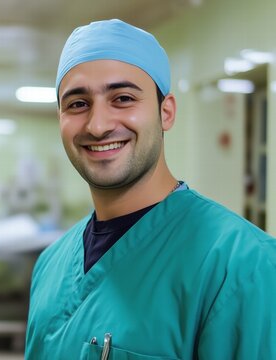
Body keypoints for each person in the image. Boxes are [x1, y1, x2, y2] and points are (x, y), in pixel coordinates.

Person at [25, 19, 276, 359]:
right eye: (78, 104)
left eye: (123, 98)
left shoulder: (243, 265)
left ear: (166, 112)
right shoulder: (50, 265)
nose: (98, 125)